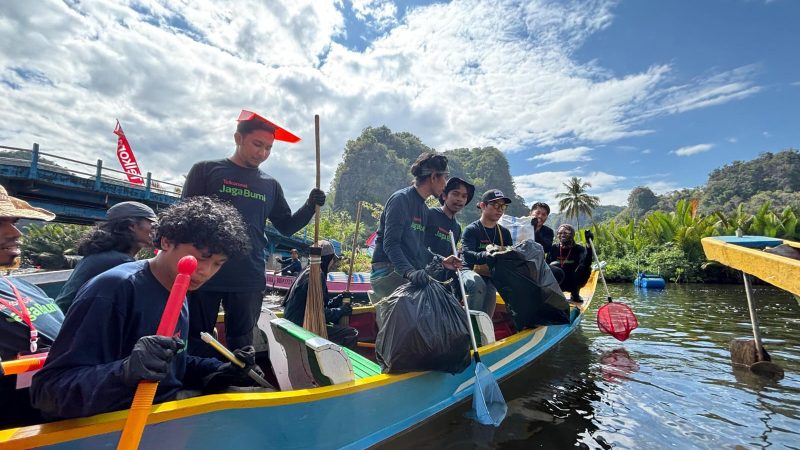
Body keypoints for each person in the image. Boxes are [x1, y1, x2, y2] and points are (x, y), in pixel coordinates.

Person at [30, 197, 263, 420]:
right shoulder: (113, 290)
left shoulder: (179, 289)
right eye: (202, 257)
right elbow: (49, 392)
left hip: (162, 415)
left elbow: (169, 365)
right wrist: (125, 372)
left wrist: (220, 368)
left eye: (217, 264)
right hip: (115, 427)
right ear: (166, 241)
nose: (206, 271)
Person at [182, 110, 325, 358]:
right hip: (204, 273)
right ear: (238, 138)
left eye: (269, 148)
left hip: (248, 275)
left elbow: (286, 227)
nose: (262, 153)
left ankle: (238, 387)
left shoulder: (270, 184)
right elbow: (183, 221)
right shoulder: (206, 171)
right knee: (197, 338)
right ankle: (198, 387)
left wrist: (310, 206)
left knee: (242, 342)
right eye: (257, 145)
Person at [0, 184, 63, 428]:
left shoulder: (24, 287)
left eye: (12, 220)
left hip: (50, 425)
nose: (15, 232)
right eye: (0, 223)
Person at [370, 152, 461, 305]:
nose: (446, 184)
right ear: (433, 177)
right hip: (387, 271)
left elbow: (419, 247)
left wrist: (442, 261)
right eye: (445, 177)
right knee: (421, 308)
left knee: (441, 302)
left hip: (403, 272)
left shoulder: (424, 209)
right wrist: (410, 272)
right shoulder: (401, 200)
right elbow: (390, 244)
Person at [55, 201, 157, 313]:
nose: (155, 230)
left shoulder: (103, 255)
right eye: (153, 225)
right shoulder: (120, 261)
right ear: (132, 226)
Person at [282, 240, 358, 348]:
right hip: (302, 328)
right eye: (332, 260)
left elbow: (317, 305)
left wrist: (337, 300)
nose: (332, 264)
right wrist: (341, 311)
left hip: (294, 323)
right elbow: (318, 314)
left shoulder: (306, 271)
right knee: (350, 333)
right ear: (327, 259)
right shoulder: (316, 276)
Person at [424, 176, 486, 306]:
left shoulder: (457, 227)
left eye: (464, 196)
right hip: (425, 277)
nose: (460, 199)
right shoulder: (430, 215)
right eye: (455, 194)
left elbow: (451, 254)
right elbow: (417, 245)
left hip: (444, 280)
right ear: (444, 195)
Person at [461, 189, 514, 317]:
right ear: (483, 206)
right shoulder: (471, 229)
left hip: (490, 275)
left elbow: (510, 257)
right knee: (478, 285)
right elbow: (468, 255)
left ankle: (485, 332)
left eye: (503, 206)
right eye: (496, 205)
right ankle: (469, 329)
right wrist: (487, 254)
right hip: (468, 270)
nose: (500, 210)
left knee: (490, 296)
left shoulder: (504, 233)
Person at [546, 224, 593, 303]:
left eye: (565, 233)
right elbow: (546, 265)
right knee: (552, 265)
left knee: (585, 268)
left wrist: (588, 244)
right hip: (558, 281)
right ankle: (554, 294)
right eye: (560, 233)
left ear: (572, 234)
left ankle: (575, 294)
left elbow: (586, 262)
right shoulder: (553, 248)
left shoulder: (578, 249)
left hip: (573, 281)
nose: (562, 235)